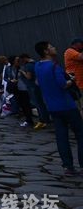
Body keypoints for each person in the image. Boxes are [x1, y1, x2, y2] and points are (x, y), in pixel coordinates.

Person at [34, 41, 83, 175]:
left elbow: (37, 82)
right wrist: (71, 79)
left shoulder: (37, 66)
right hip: (66, 105)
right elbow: (63, 84)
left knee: (61, 137)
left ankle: (68, 166)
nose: (54, 48)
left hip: (52, 106)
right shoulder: (54, 66)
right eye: (51, 47)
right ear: (46, 51)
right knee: (80, 133)